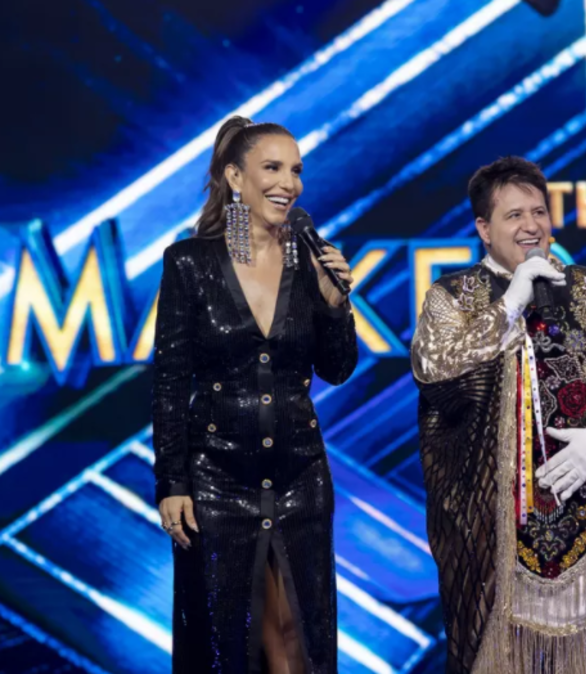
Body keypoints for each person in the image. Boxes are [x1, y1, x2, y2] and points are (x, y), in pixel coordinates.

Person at [411, 156, 586, 674]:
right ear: (483, 229)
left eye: (539, 212)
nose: (531, 225)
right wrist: (510, 304)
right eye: (514, 215)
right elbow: (435, 368)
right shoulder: (451, 298)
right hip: (495, 533)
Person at [153, 116, 357, 674]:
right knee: (232, 643)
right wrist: (172, 482)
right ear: (235, 177)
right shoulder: (190, 262)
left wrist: (334, 305)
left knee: (299, 639)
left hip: (300, 477)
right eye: (273, 168)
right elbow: (170, 380)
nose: (289, 183)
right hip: (217, 481)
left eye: (296, 171)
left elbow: (338, 369)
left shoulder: (306, 259)